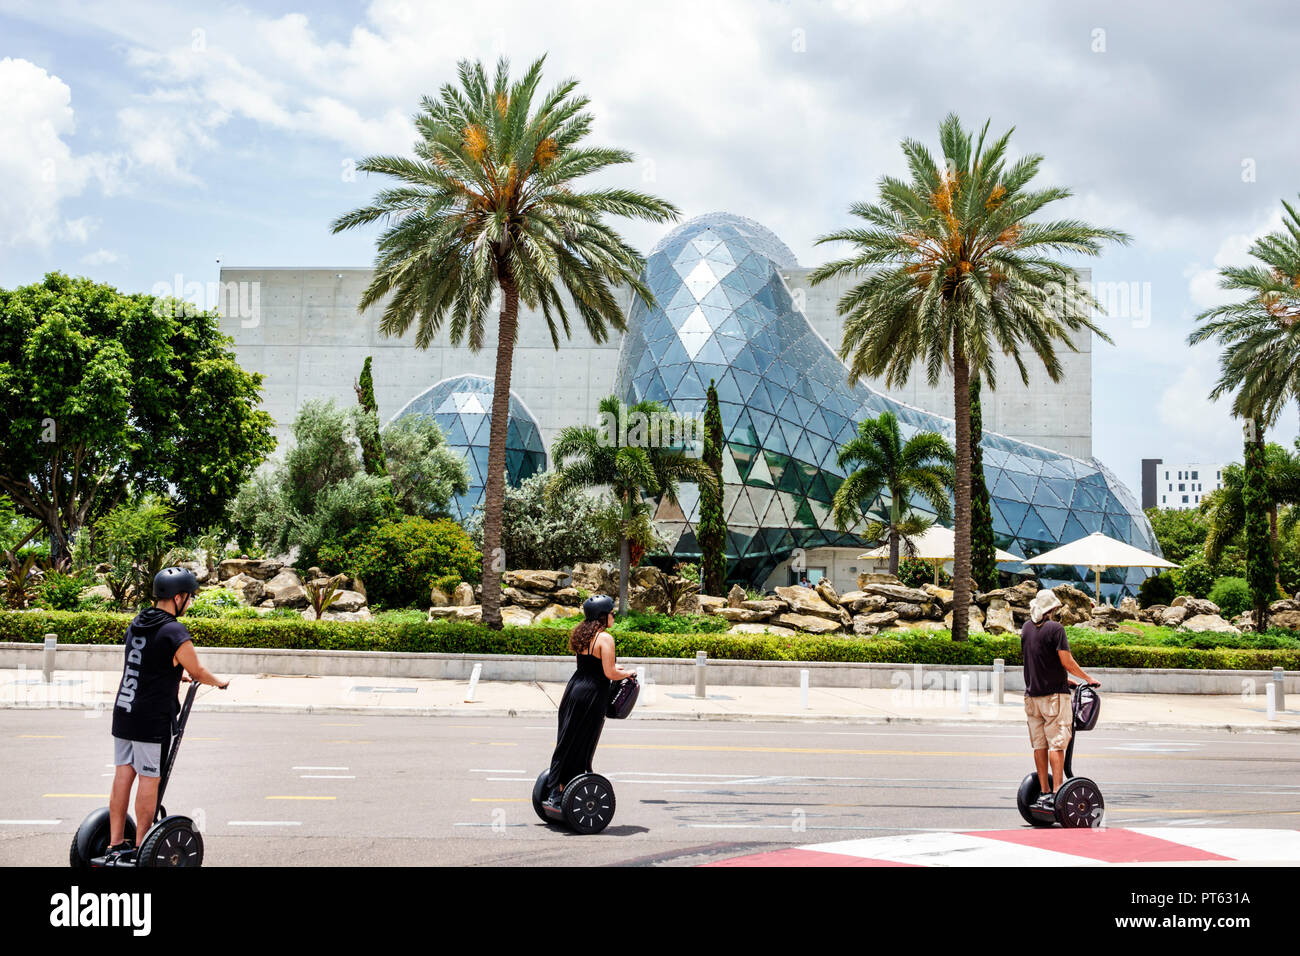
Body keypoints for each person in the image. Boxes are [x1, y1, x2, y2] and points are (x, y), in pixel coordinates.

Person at [105, 566, 229, 862]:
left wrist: (174, 676)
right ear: (179, 597)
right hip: (151, 719)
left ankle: (114, 843)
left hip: (124, 712)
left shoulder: (138, 622)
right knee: (150, 778)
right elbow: (197, 669)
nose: (190, 603)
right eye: (190, 597)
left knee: (124, 774)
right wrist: (219, 682)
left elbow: (143, 662)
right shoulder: (174, 630)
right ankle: (141, 848)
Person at [544, 594, 636, 807]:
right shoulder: (605, 638)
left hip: (575, 689)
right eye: (611, 613)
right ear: (602, 616)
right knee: (584, 740)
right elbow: (609, 673)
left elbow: (589, 666)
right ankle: (566, 787)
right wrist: (628, 672)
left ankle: (558, 786)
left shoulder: (583, 633)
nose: (614, 616)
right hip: (593, 694)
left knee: (567, 739)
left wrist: (616, 670)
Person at [1021, 588, 1099, 810]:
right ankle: (1058, 792)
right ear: (1053, 609)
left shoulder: (1026, 628)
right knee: (1057, 744)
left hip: (1032, 697)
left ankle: (1044, 792)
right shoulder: (1056, 629)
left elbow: (1036, 660)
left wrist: (1067, 682)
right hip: (1054, 698)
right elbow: (1066, 661)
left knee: (1039, 745)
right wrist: (1087, 678)